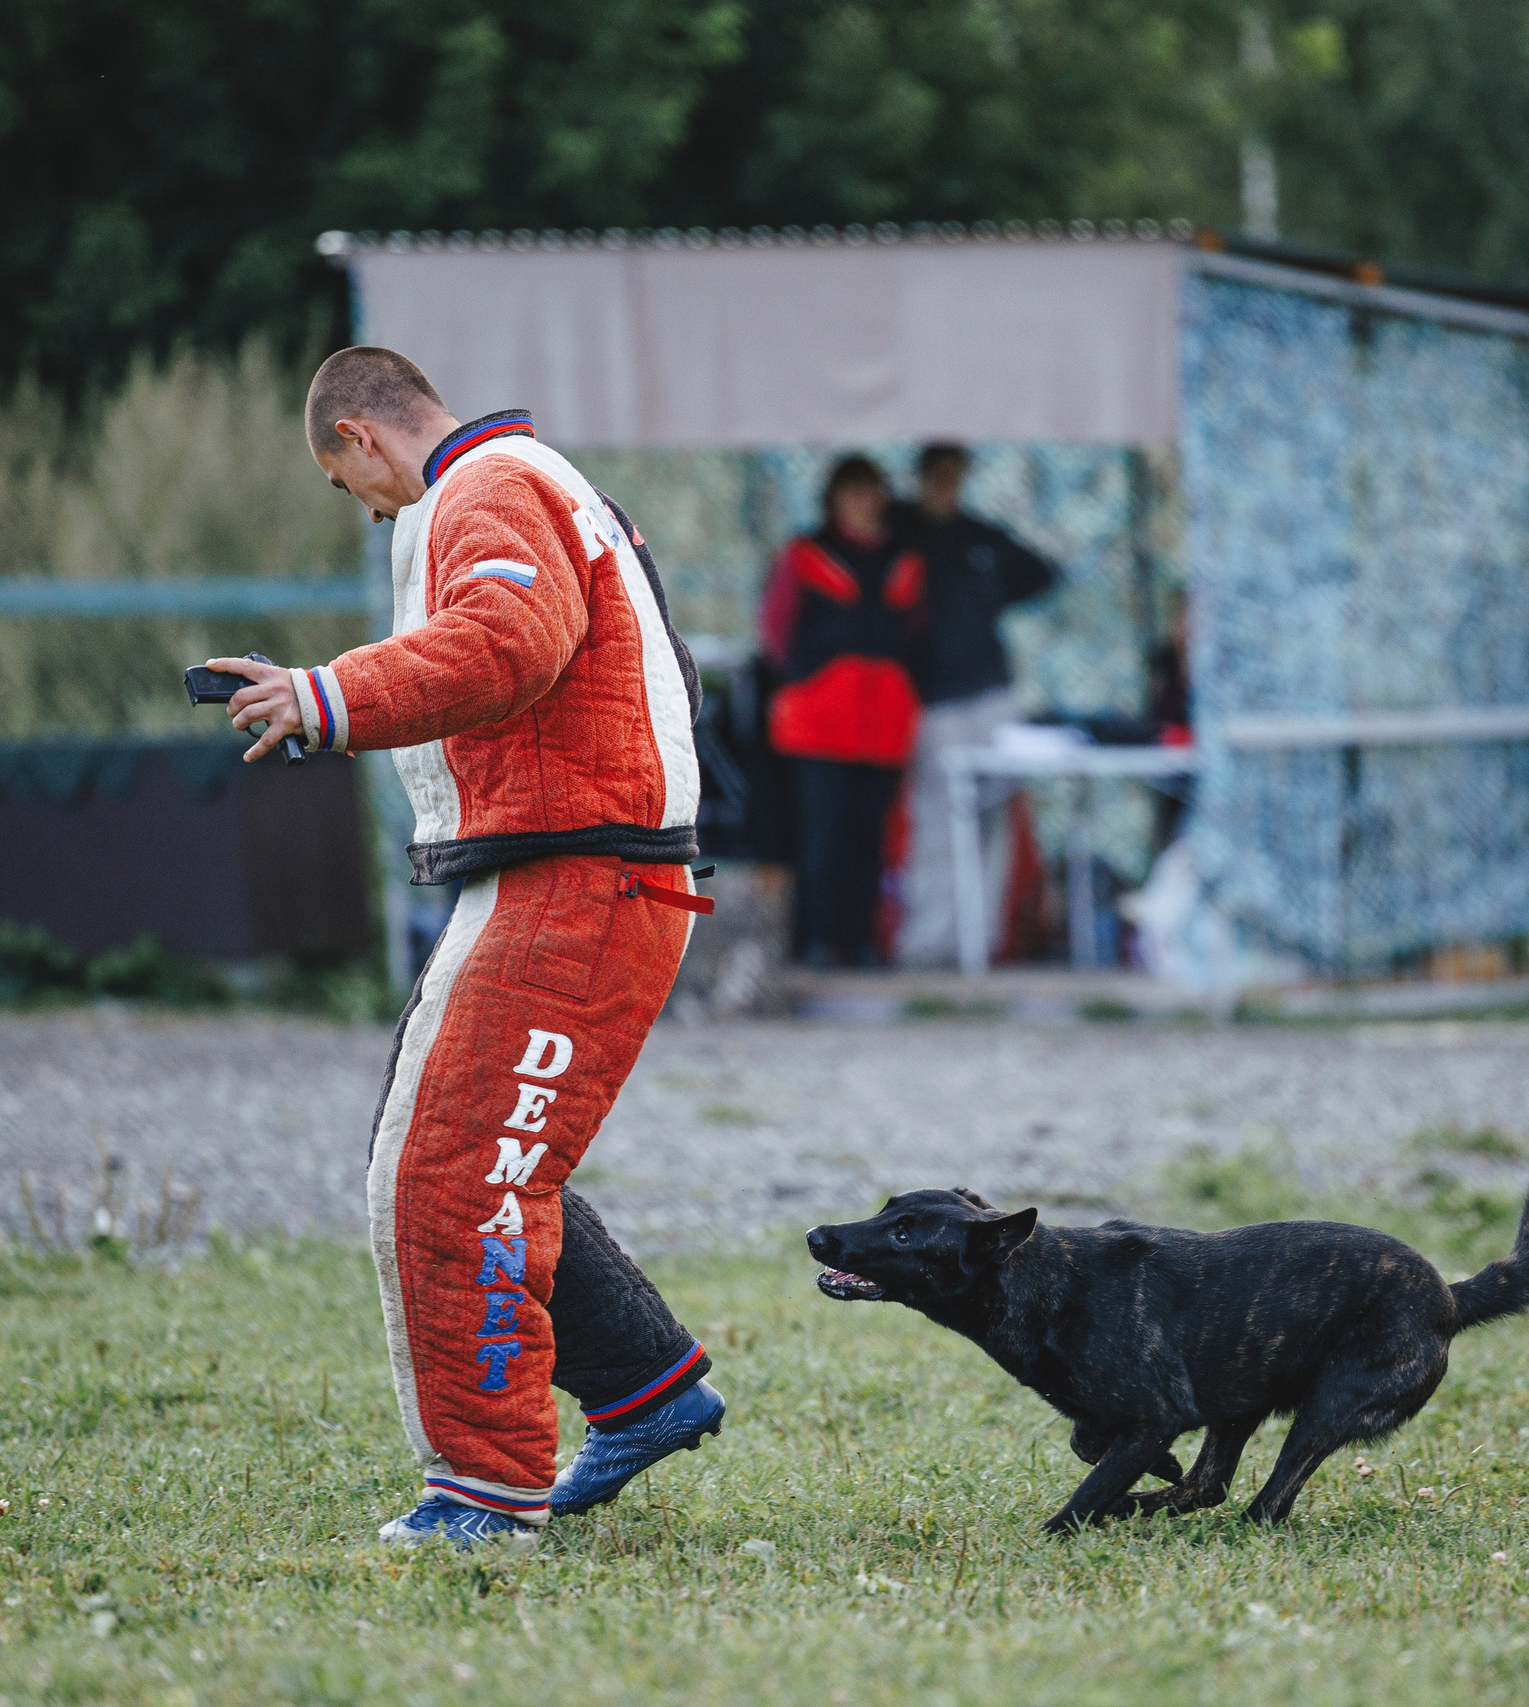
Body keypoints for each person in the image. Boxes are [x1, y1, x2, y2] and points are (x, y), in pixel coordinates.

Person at [210, 347, 724, 1550]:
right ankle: (643, 1386)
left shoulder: (483, 489)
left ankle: (483, 1495)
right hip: (585, 865)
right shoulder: (536, 479)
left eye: (351, 488)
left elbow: (507, 641)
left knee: (446, 1177)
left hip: (578, 874)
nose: (369, 510)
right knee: (474, 1146)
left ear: (357, 439)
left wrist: (325, 696)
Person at [892, 442, 1060, 969]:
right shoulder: (902, 534)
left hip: (991, 694)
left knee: (994, 821)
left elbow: (1042, 571)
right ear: (920, 477)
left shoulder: (977, 535)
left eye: (955, 475)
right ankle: (930, 944)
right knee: (937, 820)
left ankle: (985, 942)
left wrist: (988, 596)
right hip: (934, 700)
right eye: (937, 475)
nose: (946, 485)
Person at [758, 454, 925, 965]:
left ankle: (862, 940)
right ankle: (815, 941)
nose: (863, 502)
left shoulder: (905, 561)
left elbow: (919, 636)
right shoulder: (805, 555)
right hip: (818, 723)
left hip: (885, 723)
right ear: (833, 499)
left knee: (871, 836)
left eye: (871, 491)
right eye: (852, 492)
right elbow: (775, 633)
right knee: (820, 834)